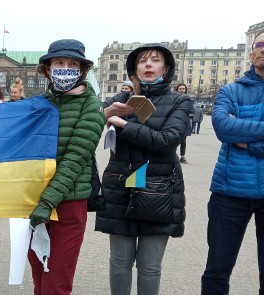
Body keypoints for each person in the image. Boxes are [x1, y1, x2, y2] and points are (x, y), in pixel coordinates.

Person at [95, 43, 191, 295]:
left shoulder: (180, 101)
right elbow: (89, 118)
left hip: (159, 189)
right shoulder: (121, 99)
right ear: (134, 68)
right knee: (119, 262)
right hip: (121, 186)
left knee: (150, 266)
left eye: (155, 60)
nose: (148, 64)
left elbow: (167, 141)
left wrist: (123, 125)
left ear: (166, 68)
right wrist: (105, 113)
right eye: (143, 61)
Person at [27, 39, 105, 295]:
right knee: (39, 281)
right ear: (48, 69)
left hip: (67, 205)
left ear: (81, 71)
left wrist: (47, 201)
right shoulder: (39, 105)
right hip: (34, 202)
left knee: (55, 284)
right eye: (59, 63)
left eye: (72, 64)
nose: (65, 68)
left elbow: (76, 158)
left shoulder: (92, 106)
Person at [201, 30, 264, 295]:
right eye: (261, 44)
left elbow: (233, 129)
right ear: (251, 52)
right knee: (217, 268)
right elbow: (223, 128)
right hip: (229, 192)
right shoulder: (230, 90)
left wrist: (246, 141)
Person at [175, 83, 192, 164]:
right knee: (172, 139)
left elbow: (192, 110)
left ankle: (182, 157)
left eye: (183, 89)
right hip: (174, 121)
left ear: (185, 90)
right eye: (180, 89)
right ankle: (172, 155)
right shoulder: (173, 98)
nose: (182, 90)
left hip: (184, 122)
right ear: (177, 90)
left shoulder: (188, 99)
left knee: (183, 141)